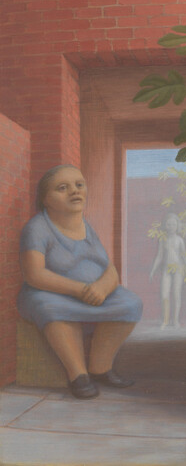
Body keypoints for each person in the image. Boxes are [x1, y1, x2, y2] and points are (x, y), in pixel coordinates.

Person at [18, 165, 142, 399]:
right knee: (50, 307)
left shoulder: (86, 225)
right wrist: (80, 290)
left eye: (79, 185)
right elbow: (34, 275)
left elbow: (110, 268)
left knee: (132, 303)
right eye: (62, 188)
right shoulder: (36, 228)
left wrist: (103, 287)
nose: (74, 191)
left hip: (92, 293)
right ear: (46, 199)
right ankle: (78, 375)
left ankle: (100, 368)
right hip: (50, 292)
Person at [149, 212, 186, 329]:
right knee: (164, 295)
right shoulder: (163, 240)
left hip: (178, 269)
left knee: (177, 294)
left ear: (177, 225)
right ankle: (166, 320)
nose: (171, 227)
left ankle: (176, 320)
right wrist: (153, 270)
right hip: (166, 270)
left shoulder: (180, 240)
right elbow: (159, 256)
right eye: (168, 224)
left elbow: (184, 256)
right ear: (165, 225)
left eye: (173, 224)